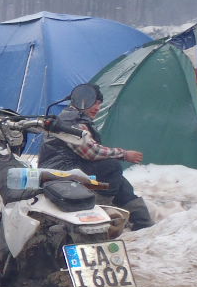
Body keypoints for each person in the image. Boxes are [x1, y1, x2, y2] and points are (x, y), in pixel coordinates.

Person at [39, 83, 154, 230]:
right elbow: (92, 152)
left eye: (100, 104)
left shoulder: (75, 118)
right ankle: (98, 209)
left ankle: (143, 223)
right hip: (59, 170)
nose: (98, 108)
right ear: (83, 100)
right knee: (111, 167)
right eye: (95, 103)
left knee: (118, 179)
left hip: (68, 166)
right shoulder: (71, 121)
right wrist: (124, 154)